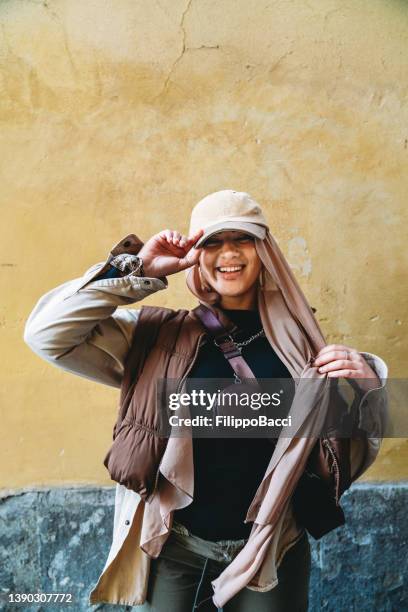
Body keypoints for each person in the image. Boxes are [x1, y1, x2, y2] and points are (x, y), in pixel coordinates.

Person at [24, 190, 388, 611]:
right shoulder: (157, 339)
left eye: (243, 239)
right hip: (177, 549)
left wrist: (366, 394)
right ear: (196, 253)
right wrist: (139, 268)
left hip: (272, 549)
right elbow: (45, 334)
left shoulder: (302, 346)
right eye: (212, 242)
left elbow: (345, 454)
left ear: (264, 249)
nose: (228, 254)